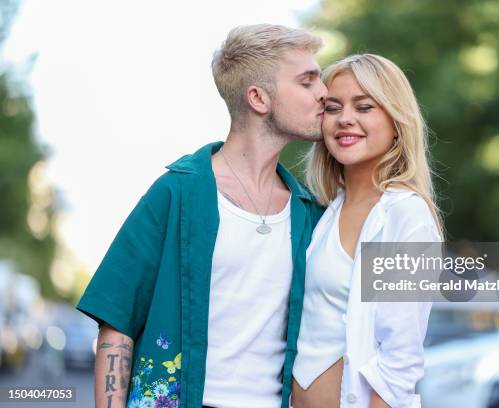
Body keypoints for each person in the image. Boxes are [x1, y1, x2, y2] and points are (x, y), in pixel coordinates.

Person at [76, 24, 327, 408]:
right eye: (308, 82)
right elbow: (117, 322)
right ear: (259, 98)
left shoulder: (309, 211)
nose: (324, 94)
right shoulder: (176, 193)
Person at [291, 54, 444, 408]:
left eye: (364, 107)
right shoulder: (325, 213)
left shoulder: (405, 216)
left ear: (396, 122)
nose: (346, 119)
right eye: (332, 107)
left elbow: (399, 361)